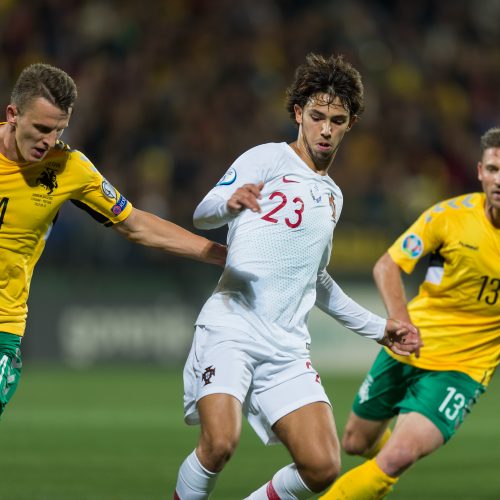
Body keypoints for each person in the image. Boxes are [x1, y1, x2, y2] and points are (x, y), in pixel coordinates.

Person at [173, 53, 419, 500]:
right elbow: (201, 212)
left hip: (286, 346)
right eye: (317, 116)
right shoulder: (266, 158)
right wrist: (229, 203)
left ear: (351, 124)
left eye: (337, 120)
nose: (325, 129)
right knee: (220, 444)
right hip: (232, 325)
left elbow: (317, 280)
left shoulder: (333, 197)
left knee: (323, 466)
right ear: (298, 114)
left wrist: (379, 328)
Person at [0, 62, 226, 418]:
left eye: (58, 130)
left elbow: (136, 224)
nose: (48, 141)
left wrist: (220, 254)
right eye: (41, 128)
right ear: (13, 114)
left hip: (4, 323)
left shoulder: (69, 167)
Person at [319, 127, 500, 500]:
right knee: (355, 441)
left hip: (462, 368)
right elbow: (387, 266)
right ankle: (378, 472)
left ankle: (383, 469)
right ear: (480, 172)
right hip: (408, 346)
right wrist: (402, 323)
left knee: (398, 456)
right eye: (494, 169)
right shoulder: (449, 216)